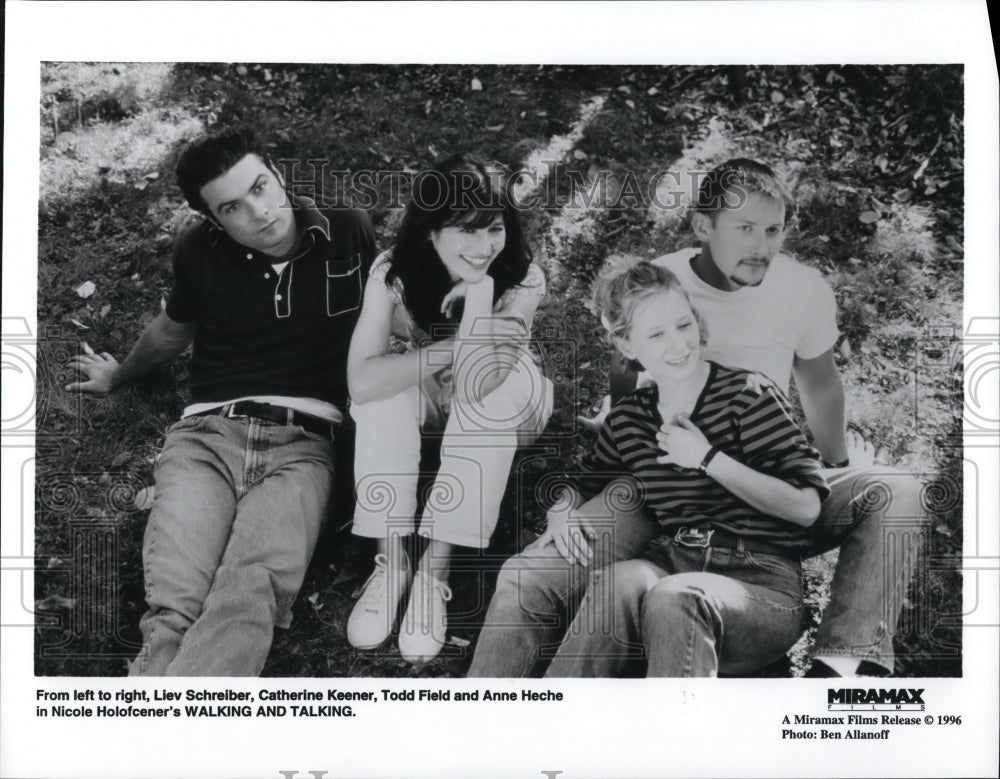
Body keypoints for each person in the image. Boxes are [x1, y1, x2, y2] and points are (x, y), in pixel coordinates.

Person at [469, 158, 925, 678]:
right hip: (664, 467)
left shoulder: (801, 293)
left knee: (898, 490)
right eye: (745, 228)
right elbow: (626, 367)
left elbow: (819, 383)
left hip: (762, 459)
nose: (762, 245)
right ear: (704, 227)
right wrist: (619, 438)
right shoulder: (663, 279)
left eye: (773, 230)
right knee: (531, 574)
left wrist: (835, 460)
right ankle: (493, 713)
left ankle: (843, 665)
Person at [66, 127, 376, 676]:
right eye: (232, 207)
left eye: (260, 186)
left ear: (277, 172)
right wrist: (119, 375)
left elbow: (388, 310)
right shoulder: (197, 251)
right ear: (214, 221)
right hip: (206, 437)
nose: (259, 213)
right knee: (173, 607)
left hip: (305, 446)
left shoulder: (347, 229)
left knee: (248, 593)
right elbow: (172, 330)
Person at [542, 258, 829, 676]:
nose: (678, 345)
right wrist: (561, 507)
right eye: (656, 334)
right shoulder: (630, 419)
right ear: (627, 347)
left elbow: (805, 507)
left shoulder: (747, 394)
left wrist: (708, 458)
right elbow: (587, 481)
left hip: (761, 583)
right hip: (675, 561)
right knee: (622, 578)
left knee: (676, 594)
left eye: (684, 325)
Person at [346, 153, 553, 664]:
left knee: (482, 406)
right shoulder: (390, 273)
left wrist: (481, 296)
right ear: (431, 231)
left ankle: (432, 577)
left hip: (508, 397)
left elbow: (478, 386)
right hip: (434, 383)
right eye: (466, 230)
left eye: (494, 229)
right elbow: (362, 380)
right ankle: (391, 564)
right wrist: (450, 348)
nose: (484, 247)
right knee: (382, 398)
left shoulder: (523, 279)